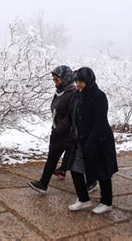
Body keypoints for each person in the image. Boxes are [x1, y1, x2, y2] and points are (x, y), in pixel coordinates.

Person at [66, 67, 118, 214]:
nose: (78, 84)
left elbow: (100, 122)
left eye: (81, 81)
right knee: (75, 168)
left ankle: (106, 202)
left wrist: (91, 143)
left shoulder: (98, 96)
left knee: (102, 172)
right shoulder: (77, 94)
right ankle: (83, 199)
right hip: (79, 139)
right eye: (76, 81)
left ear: (89, 80)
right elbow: (72, 114)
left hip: (98, 140)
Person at [28, 65, 76, 194]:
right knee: (51, 159)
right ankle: (43, 184)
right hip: (57, 132)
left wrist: (60, 129)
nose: (55, 82)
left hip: (68, 135)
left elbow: (71, 116)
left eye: (57, 79)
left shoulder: (72, 93)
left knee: (77, 164)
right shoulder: (61, 92)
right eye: (53, 79)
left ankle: (91, 182)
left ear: (65, 78)